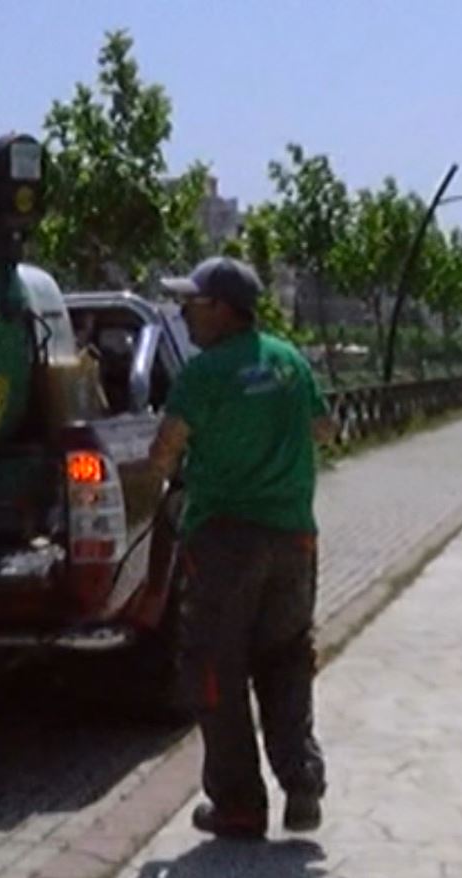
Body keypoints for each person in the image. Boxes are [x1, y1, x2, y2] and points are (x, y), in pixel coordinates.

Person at [147, 256, 338, 841]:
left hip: (226, 540)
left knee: (214, 669)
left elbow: (163, 452)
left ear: (224, 309)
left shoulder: (205, 374)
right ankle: (301, 783)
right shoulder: (288, 361)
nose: (185, 314)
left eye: (193, 304)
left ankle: (238, 805)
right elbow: (325, 431)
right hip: (294, 538)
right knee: (285, 660)